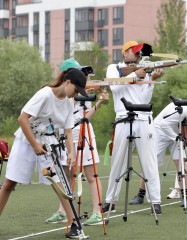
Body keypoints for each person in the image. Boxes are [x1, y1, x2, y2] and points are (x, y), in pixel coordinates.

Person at [0, 67, 87, 238]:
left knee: (60, 184)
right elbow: (22, 118)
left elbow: (68, 130)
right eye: (76, 89)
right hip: (27, 139)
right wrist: (34, 145)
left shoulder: (69, 102)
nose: (76, 94)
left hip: (49, 142)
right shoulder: (45, 94)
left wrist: (71, 153)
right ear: (67, 82)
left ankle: (75, 225)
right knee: (9, 183)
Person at [45, 58, 109, 226]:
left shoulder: (82, 92)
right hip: (64, 138)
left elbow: (86, 117)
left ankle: (97, 211)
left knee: (91, 175)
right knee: (65, 176)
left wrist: (100, 102)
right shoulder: (59, 92)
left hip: (83, 134)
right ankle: (63, 211)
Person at [103, 41, 164, 214]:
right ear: (125, 52)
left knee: (149, 162)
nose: (138, 56)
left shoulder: (142, 71)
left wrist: (151, 80)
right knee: (118, 162)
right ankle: (111, 201)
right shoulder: (114, 68)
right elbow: (115, 87)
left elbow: (144, 100)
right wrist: (135, 74)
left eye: (139, 53)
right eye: (134, 52)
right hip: (123, 118)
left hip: (143, 118)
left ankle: (155, 201)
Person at [129, 102, 187, 207]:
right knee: (151, 164)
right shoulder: (182, 110)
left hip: (177, 134)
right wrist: (175, 137)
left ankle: (185, 197)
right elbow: (163, 124)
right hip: (160, 132)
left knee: (182, 166)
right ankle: (140, 194)